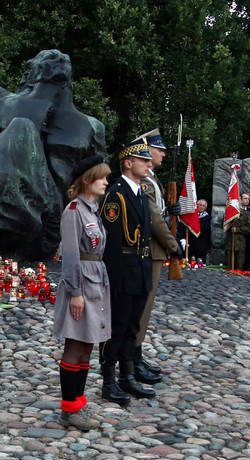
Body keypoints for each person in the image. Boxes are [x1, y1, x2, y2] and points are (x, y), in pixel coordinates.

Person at [53, 156, 112, 430]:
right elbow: (71, 256)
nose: (106, 181)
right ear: (87, 180)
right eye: (102, 177)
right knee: (75, 345)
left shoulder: (92, 210)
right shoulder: (74, 211)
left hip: (96, 282)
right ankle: (70, 408)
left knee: (88, 344)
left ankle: (79, 402)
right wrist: (76, 292)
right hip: (81, 286)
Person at [98, 141, 155, 404]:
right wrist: (113, 280)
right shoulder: (116, 195)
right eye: (143, 160)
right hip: (122, 270)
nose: (149, 163)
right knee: (116, 328)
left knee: (133, 326)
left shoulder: (141, 192)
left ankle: (128, 375)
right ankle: (109, 381)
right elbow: (110, 243)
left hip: (140, 268)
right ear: (128, 163)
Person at [132, 129, 181, 385]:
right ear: (146, 151)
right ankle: (132, 360)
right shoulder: (143, 181)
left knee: (145, 309)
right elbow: (153, 219)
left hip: (154, 250)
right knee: (141, 309)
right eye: (158, 149)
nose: (162, 153)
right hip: (149, 249)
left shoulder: (151, 180)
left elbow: (158, 212)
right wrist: (173, 245)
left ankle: (136, 356)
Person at [225, 192, 250, 271]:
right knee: (228, 265)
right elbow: (223, 223)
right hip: (230, 241)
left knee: (239, 265)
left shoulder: (246, 213)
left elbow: (249, 227)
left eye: (248, 199)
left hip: (240, 242)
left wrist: (238, 229)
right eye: (245, 198)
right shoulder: (230, 211)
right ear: (239, 199)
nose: (247, 200)